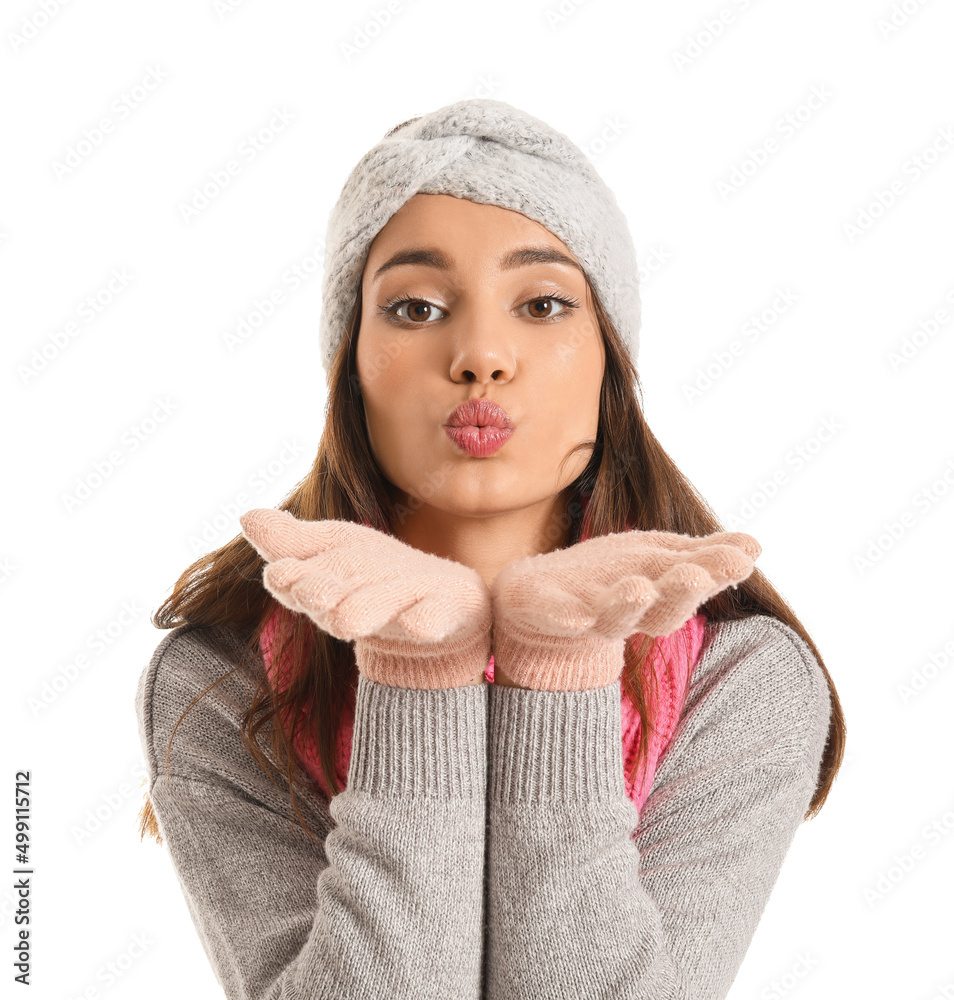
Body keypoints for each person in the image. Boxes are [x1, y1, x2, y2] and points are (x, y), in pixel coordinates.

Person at [134, 97, 846, 1000]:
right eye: (416, 306)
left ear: (608, 359)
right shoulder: (219, 680)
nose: (479, 355)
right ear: (351, 359)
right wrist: (416, 675)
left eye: (544, 303)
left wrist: (563, 666)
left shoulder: (742, 676)